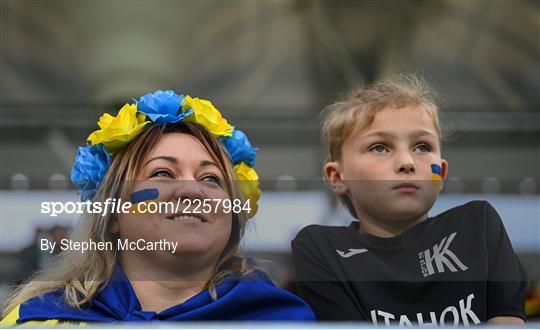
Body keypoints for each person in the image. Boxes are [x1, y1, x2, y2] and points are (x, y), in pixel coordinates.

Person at [2, 90, 315, 325]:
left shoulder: (284, 321)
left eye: (211, 179)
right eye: (162, 173)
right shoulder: (36, 320)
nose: (193, 190)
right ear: (112, 215)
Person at [291, 75, 527, 326]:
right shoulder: (321, 249)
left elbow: (508, 322)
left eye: (422, 147)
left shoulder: (478, 226)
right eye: (379, 147)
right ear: (337, 176)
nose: (407, 162)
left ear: (442, 173)